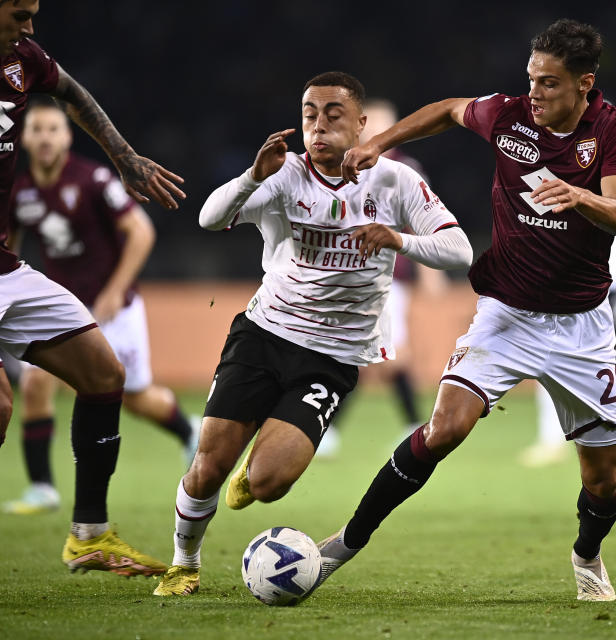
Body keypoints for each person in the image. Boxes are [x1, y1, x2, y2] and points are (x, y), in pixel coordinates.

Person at [319, 19, 616, 602]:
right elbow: (447, 111)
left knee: (603, 477)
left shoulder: (615, 133)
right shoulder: (508, 115)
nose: (535, 93)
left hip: (580, 327)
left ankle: (587, 555)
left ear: (584, 84)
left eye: (549, 83)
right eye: (530, 79)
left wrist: (580, 196)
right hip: (506, 313)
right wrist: (376, 143)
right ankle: (341, 546)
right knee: (445, 427)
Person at [151, 71, 471, 596]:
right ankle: (184, 561)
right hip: (264, 334)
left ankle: (252, 473)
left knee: (270, 484)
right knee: (208, 465)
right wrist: (252, 177)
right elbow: (209, 219)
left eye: (332, 114)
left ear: (362, 124)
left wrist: (396, 238)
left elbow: (459, 250)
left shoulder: (394, 181)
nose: (318, 126)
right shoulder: (282, 174)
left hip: (333, 354)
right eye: (309, 115)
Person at [0, 0, 184, 576]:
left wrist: (125, 158)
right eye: (19, 13)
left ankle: (89, 536)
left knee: (105, 377)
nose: (30, 27)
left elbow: (75, 93)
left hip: (7, 270)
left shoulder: (21, 60)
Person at [2, 100, 199, 515]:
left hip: (113, 308)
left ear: (68, 136)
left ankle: (189, 432)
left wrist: (114, 290)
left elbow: (141, 232)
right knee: (36, 384)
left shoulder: (93, 179)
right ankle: (42, 488)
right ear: (23, 136)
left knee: (134, 396)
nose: (43, 138)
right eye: (35, 129)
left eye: (53, 129)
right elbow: (9, 250)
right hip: (56, 312)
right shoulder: (20, 191)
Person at [314, 98, 449, 458]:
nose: (378, 133)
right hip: (348, 275)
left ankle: (332, 429)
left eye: (385, 127)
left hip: (389, 279)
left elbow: (425, 223)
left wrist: (429, 271)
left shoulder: (406, 169)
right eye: (372, 127)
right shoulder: (343, 166)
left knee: (372, 353)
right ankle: (408, 426)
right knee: (361, 352)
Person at [522, 156, 616, 468]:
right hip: (566, 274)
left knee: (613, 358)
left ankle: (605, 433)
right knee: (549, 353)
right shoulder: (555, 153)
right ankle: (550, 439)